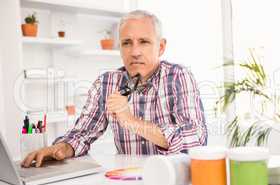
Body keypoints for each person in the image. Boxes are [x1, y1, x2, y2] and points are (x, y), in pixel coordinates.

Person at [21, 10, 207, 168]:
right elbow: (82, 134)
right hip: (128, 183)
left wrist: (130, 120)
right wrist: (60, 148)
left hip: (174, 184)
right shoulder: (106, 83)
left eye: (144, 41)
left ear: (161, 47)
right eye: (127, 43)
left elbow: (196, 140)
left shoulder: (178, 77)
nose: (134, 52)